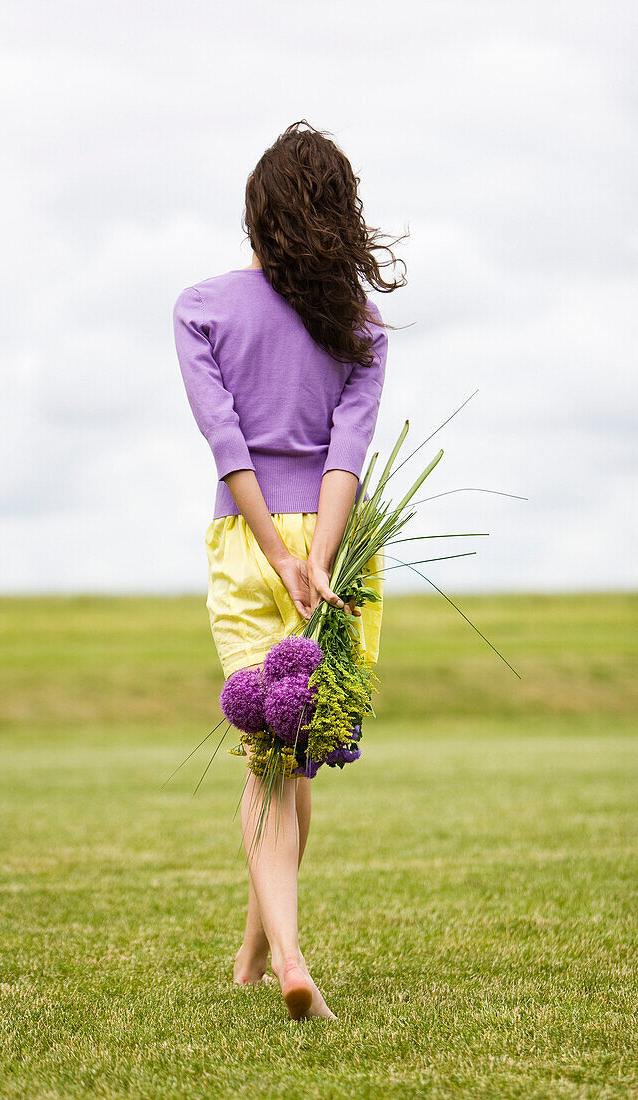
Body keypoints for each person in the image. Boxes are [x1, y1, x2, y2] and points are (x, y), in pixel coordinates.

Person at [172, 120, 406, 1020]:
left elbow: (223, 437)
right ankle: (261, 950)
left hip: (250, 538)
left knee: (272, 761)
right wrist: (319, 557)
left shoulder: (201, 306)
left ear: (256, 212)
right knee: (289, 756)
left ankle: (280, 955)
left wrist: (275, 551)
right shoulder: (358, 324)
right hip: (341, 552)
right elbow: (347, 451)